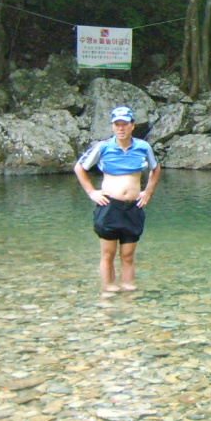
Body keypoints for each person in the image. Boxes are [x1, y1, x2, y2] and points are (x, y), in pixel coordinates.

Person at [74, 105, 161, 294]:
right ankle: (108, 288)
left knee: (128, 255)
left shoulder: (143, 147)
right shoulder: (103, 147)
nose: (121, 128)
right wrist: (91, 192)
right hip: (109, 207)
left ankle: (128, 288)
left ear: (132, 126)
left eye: (124, 124)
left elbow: (156, 169)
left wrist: (147, 192)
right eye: (117, 125)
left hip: (133, 207)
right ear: (112, 127)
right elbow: (80, 168)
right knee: (108, 253)